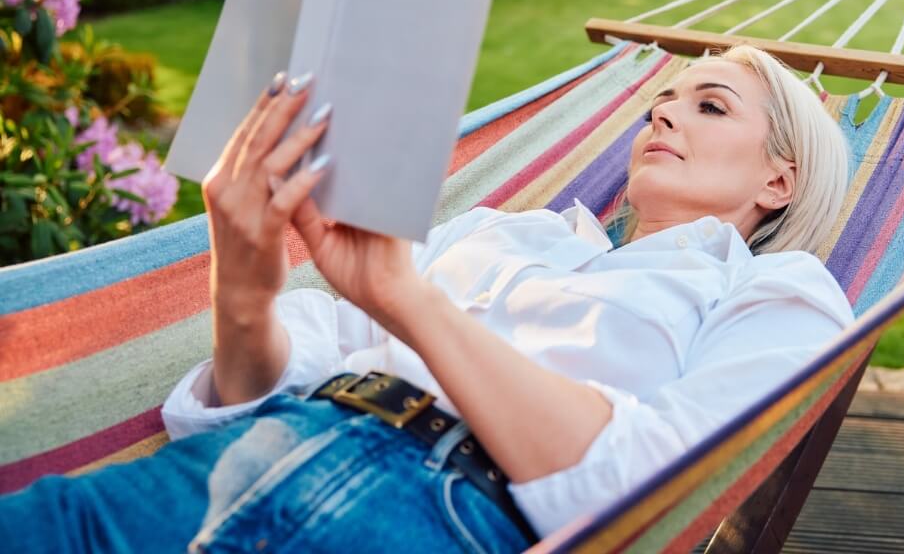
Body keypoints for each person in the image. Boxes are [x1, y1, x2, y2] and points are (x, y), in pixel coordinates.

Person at [0, 45, 853, 553]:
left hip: (439, 516)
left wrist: (413, 306)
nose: (663, 118)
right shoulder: (512, 230)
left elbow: (659, 480)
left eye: (709, 106)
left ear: (779, 179)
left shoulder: (779, 292)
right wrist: (245, 291)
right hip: (252, 451)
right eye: (660, 103)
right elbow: (299, 354)